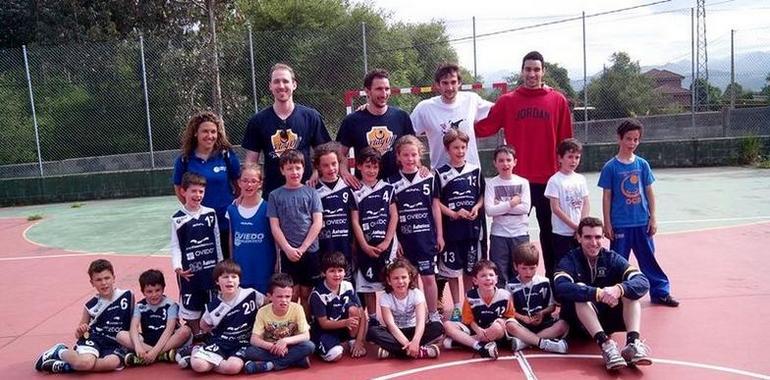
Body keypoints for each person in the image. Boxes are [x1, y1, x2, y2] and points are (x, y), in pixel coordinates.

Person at [475, 51, 573, 284]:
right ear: (522, 71)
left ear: (543, 71)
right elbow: (486, 127)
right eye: (528, 69)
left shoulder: (557, 100)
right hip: (515, 183)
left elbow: (565, 139)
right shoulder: (508, 101)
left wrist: (566, 172)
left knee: (552, 235)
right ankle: (507, 287)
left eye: (536, 69)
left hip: (548, 180)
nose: (532, 74)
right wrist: (456, 125)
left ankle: (556, 282)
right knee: (509, 234)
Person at [554, 217, 652, 371]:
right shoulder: (569, 260)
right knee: (579, 292)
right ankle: (606, 345)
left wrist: (618, 289)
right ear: (578, 238)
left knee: (630, 292)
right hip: (579, 324)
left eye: (597, 237)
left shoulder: (611, 258)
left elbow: (643, 282)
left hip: (607, 319)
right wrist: (598, 293)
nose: (593, 243)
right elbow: (561, 287)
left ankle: (633, 345)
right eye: (588, 237)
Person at [598, 120, 679, 307]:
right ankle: (612, 297)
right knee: (617, 262)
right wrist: (607, 223)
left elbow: (649, 192)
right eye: (628, 139)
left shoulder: (642, 165)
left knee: (649, 259)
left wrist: (653, 218)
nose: (632, 143)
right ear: (619, 138)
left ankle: (660, 292)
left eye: (636, 139)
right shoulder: (611, 167)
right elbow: (607, 197)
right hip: (620, 224)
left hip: (642, 223)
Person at [242, 63, 331, 198]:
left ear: (294, 85)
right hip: (273, 195)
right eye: (276, 81)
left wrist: (316, 172)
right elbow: (250, 162)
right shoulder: (258, 121)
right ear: (270, 86)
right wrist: (248, 190)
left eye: (285, 81)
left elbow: (325, 153)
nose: (281, 86)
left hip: (307, 193)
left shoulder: (311, 116)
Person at [34, 259, 133, 373]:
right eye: (99, 280)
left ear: (114, 278)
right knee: (85, 363)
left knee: (112, 363)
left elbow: (135, 319)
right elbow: (79, 334)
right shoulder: (90, 306)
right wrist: (81, 330)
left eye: (107, 278)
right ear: (92, 283)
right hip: (94, 339)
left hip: (115, 343)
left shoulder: (127, 295)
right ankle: (60, 351)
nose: (104, 283)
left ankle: (64, 366)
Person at [388, 135, 444, 322]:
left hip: (426, 237)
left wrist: (440, 235)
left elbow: (435, 208)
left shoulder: (429, 177)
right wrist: (396, 241)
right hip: (405, 239)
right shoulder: (391, 182)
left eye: (414, 155)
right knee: (410, 280)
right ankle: (414, 317)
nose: (410, 159)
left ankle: (433, 314)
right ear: (398, 157)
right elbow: (392, 215)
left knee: (429, 278)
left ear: (420, 155)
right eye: (406, 155)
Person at [173, 111, 240, 259]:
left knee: (228, 267)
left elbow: (238, 183)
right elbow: (178, 188)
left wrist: (234, 206)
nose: (210, 136)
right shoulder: (184, 159)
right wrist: (194, 209)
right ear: (195, 133)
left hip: (225, 222)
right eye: (205, 131)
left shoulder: (226, 155)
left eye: (213, 132)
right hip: (198, 224)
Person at [435, 129, 485, 321]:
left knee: (469, 270)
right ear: (448, 149)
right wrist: (453, 213)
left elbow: (481, 196)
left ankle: (468, 304)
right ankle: (456, 307)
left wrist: (477, 207)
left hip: (471, 231)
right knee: (452, 272)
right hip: (452, 232)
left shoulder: (475, 170)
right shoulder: (440, 173)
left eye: (463, 147)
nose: (460, 151)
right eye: (456, 147)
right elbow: (436, 202)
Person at [181, 260, 265, 374]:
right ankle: (196, 349)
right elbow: (203, 325)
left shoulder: (251, 294)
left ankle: (204, 360)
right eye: (225, 277)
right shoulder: (213, 306)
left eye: (234, 277)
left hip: (242, 343)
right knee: (199, 366)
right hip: (220, 342)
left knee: (233, 368)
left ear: (239, 280)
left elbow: (267, 304)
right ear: (217, 281)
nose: (230, 280)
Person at [337, 69, 415, 186]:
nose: (384, 94)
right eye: (379, 89)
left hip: (398, 185)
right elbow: (340, 153)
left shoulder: (401, 117)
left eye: (387, 89)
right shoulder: (352, 121)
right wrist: (344, 171)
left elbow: (414, 150)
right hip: (366, 188)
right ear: (367, 91)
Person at [267, 149, 323, 313]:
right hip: (287, 253)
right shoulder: (275, 195)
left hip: (310, 251)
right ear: (282, 170)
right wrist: (288, 249)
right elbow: (275, 226)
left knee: (307, 293)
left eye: (298, 168)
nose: (294, 172)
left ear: (304, 169)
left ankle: (306, 328)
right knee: (291, 293)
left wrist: (303, 248)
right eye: (290, 168)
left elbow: (317, 222)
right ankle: (291, 328)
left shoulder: (312, 193)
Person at [170, 172, 224, 335]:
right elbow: (175, 246)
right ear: (183, 192)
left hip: (210, 270)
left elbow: (217, 240)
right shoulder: (177, 219)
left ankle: (212, 336)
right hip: (189, 273)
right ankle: (196, 337)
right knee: (191, 307)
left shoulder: (210, 213)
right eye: (194, 191)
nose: (198, 195)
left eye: (201, 191)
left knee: (214, 304)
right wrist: (177, 267)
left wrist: (220, 265)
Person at [411, 63, 492, 169]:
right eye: (445, 83)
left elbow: (499, 111)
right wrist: (419, 165)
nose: (450, 87)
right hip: (441, 175)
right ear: (437, 85)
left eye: (453, 82)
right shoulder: (425, 108)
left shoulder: (472, 100)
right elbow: (407, 137)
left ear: (459, 83)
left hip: (471, 173)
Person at [350, 147, 398, 326]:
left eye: (375, 167)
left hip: (387, 245)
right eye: (368, 166)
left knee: (391, 282)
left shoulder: (387, 188)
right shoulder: (354, 191)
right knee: (368, 285)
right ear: (359, 167)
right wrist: (363, 245)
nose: (371, 170)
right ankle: (373, 319)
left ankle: (395, 316)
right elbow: (355, 221)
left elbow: (394, 215)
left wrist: (387, 241)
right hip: (366, 246)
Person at [367, 259, 443, 359]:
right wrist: (408, 344)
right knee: (373, 332)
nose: (400, 282)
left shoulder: (416, 294)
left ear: (410, 278)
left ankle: (393, 352)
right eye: (396, 278)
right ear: (389, 281)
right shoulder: (385, 297)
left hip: (414, 330)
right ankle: (419, 352)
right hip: (396, 333)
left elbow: (421, 322)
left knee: (438, 327)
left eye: (404, 277)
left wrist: (415, 341)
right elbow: (391, 325)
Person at [242, 273, 315, 373]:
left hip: (290, 346)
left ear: (292, 294)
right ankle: (295, 360)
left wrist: (285, 341)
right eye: (279, 296)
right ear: (270, 296)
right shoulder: (262, 312)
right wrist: (273, 346)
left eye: (287, 296)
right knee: (249, 352)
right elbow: (254, 340)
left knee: (309, 346)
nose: (284, 300)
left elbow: (306, 335)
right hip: (270, 348)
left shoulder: (297, 308)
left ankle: (270, 365)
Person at [504, 243, 569, 353]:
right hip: (522, 324)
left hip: (542, 322)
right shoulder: (510, 285)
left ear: (537, 265)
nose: (528, 272)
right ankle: (543, 343)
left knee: (563, 324)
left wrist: (542, 313)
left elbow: (552, 306)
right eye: (524, 268)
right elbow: (509, 311)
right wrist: (522, 318)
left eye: (532, 268)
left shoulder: (544, 282)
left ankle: (525, 342)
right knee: (509, 325)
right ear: (515, 266)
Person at [441, 260, 512, 359]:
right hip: (475, 328)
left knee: (497, 328)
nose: (488, 278)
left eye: (491, 275)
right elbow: (467, 319)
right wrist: (477, 329)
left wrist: (502, 321)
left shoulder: (505, 295)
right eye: (483, 276)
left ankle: (460, 342)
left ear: (496, 279)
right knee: (447, 325)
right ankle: (479, 346)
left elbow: (510, 317)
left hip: (494, 330)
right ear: (475, 281)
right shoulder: (470, 296)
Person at [121, 269, 192, 366]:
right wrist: (138, 346)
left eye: (157, 290)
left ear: (163, 288)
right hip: (148, 340)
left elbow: (169, 329)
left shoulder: (171, 305)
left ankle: (146, 357)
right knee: (121, 335)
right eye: (149, 291)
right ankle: (162, 355)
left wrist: (154, 352)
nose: (154, 295)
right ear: (143, 292)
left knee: (185, 330)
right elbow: (134, 326)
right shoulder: (140, 306)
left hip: (168, 340)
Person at [226, 163, 275, 294]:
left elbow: (275, 241)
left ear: (260, 183)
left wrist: (277, 267)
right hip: (242, 272)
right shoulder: (232, 209)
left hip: (264, 271)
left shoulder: (268, 208)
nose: (249, 185)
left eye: (253, 181)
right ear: (239, 182)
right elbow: (232, 239)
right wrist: (232, 266)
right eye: (245, 181)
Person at [485, 145, 530, 286]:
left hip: (520, 233)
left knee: (520, 271)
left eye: (508, 160)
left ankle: (519, 303)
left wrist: (501, 206)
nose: (505, 164)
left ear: (515, 162)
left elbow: (525, 208)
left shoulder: (523, 182)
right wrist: (512, 203)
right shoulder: (491, 184)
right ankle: (503, 303)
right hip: (499, 234)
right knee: (499, 272)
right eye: (501, 160)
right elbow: (489, 210)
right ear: (495, 163)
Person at [309, 252, 367, 361]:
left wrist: (359, 341)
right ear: (323, 273)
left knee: (354, 310)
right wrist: (345, 323)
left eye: (340, 270)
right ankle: (322, 346)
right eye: (332, 271)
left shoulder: (348, 286)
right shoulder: (318, 294)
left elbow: (361, 314)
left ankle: (352, 340)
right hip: (325, 330)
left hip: (343, 327)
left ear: (345, 272)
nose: (337, 275)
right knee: (336, 355)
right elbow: (324, 324)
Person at [545, 138, 590, 273]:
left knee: (582, 264)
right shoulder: (554, 181)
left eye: (577, 157)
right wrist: (575, 227)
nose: (574, 161)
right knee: (564, 266)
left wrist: (582, 227)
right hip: (562, 233)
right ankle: (564, 293)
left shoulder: (580, 179)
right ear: (560, 158)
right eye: (570, 157)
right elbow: (556, 208)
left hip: (579, 233)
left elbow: (586, 203)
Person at [313, 142, 356, 276]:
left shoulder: (348, 186)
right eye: (325, 165)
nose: (331, 168)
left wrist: (355, 243)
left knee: (347, 285)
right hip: (325, 246)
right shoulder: (313, 190)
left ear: (339, 163)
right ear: (318, 167)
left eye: (334, 164)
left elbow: (355, 218)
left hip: (345, 245)